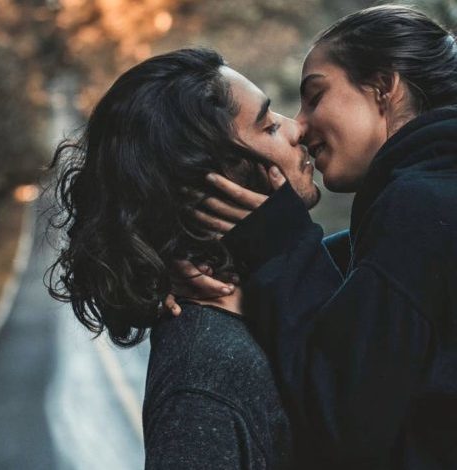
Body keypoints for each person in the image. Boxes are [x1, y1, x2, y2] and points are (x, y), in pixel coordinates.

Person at [185, 5, 457, 469]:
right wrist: (229, 262)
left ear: (383, 88)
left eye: (315, 96)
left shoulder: (425, 207)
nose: (300, 124)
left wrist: (277, 242)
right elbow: (339, 289)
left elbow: (338, 416)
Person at [46, 47, 323, 469]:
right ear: (218, 185)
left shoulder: (272, 304)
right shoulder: (202, 379)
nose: (296, 128)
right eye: (268, 126)